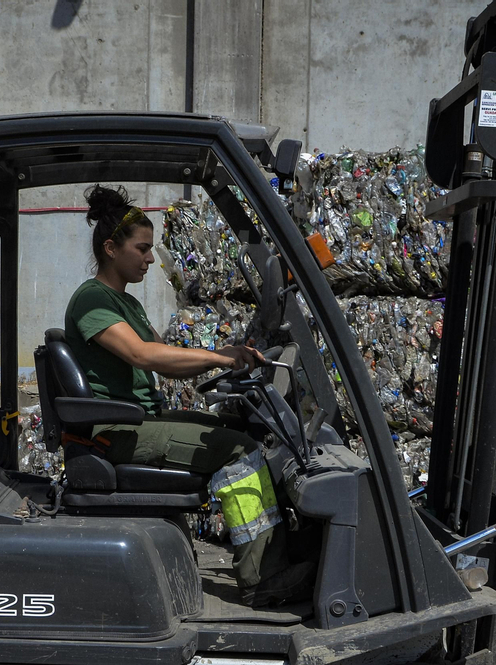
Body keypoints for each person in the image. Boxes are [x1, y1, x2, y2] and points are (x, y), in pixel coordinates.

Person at [62, 185, 311, 606]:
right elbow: (144, 355)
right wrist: (218, 358)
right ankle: (263, 577)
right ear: (111, 248)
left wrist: (226, 353)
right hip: (114, 430)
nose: (149, 259)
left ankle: (283, 550)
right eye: (142, 249)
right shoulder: (92, 300)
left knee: (239, 430)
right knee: (238, 450)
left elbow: (169, 357)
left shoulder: (127, 304)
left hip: (137, 420)